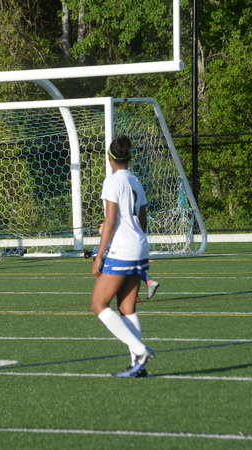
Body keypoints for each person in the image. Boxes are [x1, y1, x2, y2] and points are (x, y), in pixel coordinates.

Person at [91, 135, 154, 378]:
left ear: (109, 158)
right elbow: (142, 218)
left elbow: (110, 221)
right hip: (140, 245)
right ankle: (138, 366)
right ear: (129, 157)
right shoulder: (136, 181)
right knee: (127, 307)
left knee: (98, 304)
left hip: (123, 249)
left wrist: (99, 255)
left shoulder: (112, 181)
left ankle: (140, 351)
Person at [84, 241, 160, 300]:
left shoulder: (114, 233)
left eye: (101, 226)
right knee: (133, 270)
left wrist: (91, 253)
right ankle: (149, 282)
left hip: (121, 257)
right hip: (132, 251)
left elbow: (105, 245)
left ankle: (132, 296)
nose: (100, 228)